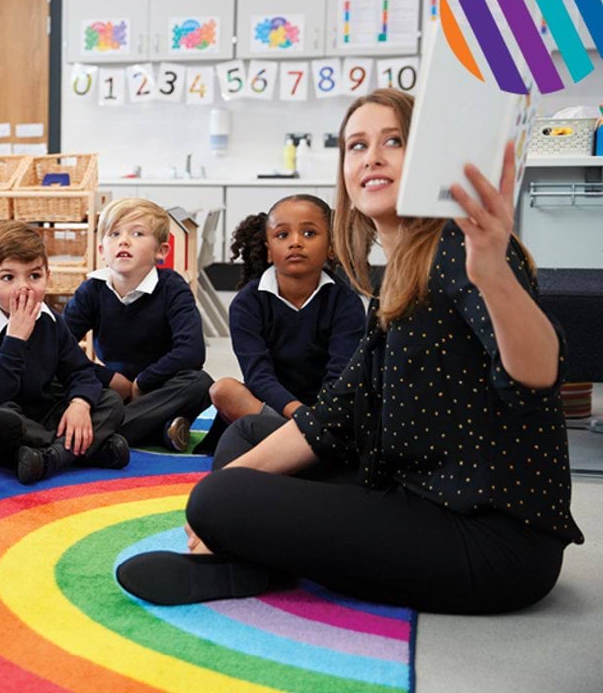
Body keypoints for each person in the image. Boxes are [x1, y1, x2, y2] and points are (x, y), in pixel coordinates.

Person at [117, 89, 584, 613]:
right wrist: (234, 482)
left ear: (428, 156)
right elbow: (333, 417)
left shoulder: (463, 247)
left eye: (394, 141)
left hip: (489, 538)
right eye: (357, 145)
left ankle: (250, 555)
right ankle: (251, 557)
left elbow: (538, 376)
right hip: (414, 489)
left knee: (217, 498)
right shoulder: (400, 274)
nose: (372, 157)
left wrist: (494, 273)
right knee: (244, 441)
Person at [0, 221, 129, 485]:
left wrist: (80, 405)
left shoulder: (51, 321)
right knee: (1, 422)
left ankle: (50, 458)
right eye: (8, 278)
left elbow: (80, 371)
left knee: (109, 401)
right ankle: (84, 449)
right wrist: (15, 338)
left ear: (48, 276)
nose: (23, 288)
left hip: (43, 413)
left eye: (34, 276)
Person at [203, 195, 365, 455]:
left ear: (331, 247)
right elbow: (258, 376)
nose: (296, 242)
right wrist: (299, 415)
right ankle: (304, 446)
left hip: (327, 412)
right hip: (271, 408)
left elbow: (341, 375)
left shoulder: (346, 303)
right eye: (282, 235)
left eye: (309, 233)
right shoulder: (247, 303)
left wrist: (319, 417)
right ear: (269, 250)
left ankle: (298, 446)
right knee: (224, 390)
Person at [63, 197, 213, 451]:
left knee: (199, 383)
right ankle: (160, 430)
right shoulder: (92, 290)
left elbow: (191, 352)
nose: (124, 241)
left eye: (137, 233)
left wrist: (142, 383)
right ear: (102, 250)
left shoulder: (172, 287)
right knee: (55, 377)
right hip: (113, 389)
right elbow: (58, 347)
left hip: (160, 387)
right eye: (114, 234)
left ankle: (102, 434)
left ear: (161, 251)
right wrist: (109, 378)